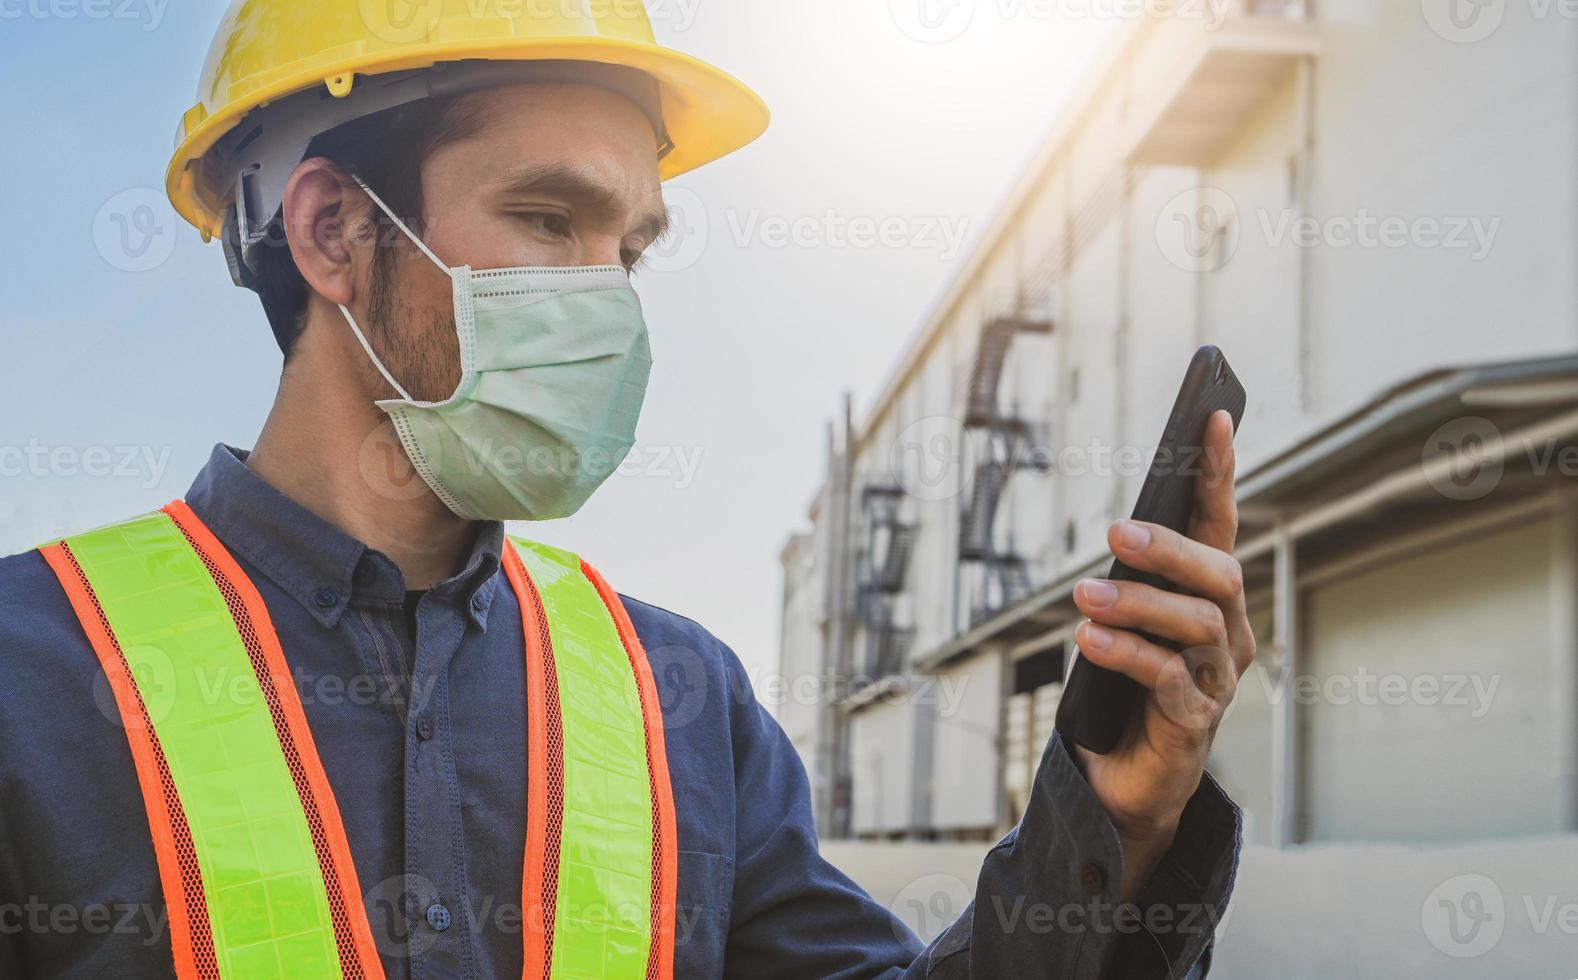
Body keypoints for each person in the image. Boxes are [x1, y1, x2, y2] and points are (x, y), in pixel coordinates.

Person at [0, 2, 1254, 977]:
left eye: (632, 249)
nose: (607, 298)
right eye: (551, 218)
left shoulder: (683, 698)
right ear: (334, 230)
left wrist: (1121, 821)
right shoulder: (29, 671)